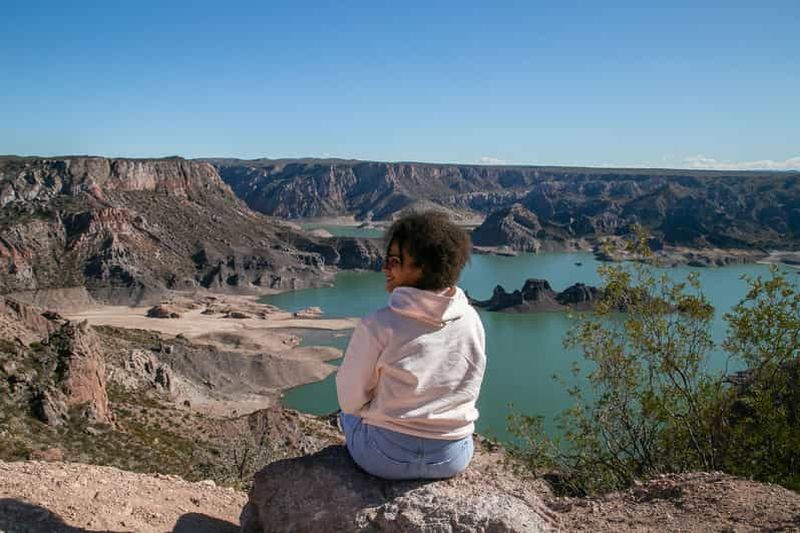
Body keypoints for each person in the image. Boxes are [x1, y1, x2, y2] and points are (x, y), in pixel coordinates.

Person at [335, 211, 486, 480]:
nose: (385, 268)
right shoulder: (471, 319)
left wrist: (379, 413)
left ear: (423, 267)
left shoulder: (377, 324)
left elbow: (349, 400)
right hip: (452, 457)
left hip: (383, 457)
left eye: (394, 261)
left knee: (345, 416)